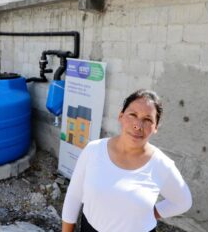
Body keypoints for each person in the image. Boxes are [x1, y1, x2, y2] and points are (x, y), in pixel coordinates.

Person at [61, 89, 192, 232]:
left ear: (155, 128)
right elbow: (74, 195)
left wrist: (151, 213)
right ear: (121, 116)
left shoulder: (162, 165)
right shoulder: (94, 150)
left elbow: (183, 202)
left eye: (148, 120)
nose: (138, 125)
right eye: (133, 115)